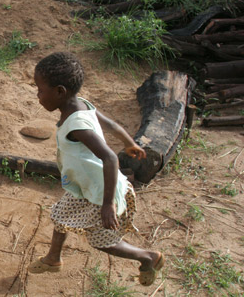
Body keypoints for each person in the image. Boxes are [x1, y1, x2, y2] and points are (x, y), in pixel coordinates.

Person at [28, 52, 164, 286]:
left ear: (60, 91)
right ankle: (53, 259)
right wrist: (129, 142)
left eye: (40, 90)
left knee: (102, 241)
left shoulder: (77, 126)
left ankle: (147, 257)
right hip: (86, 186)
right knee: (61, 215)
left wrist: (107, 205)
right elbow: (110, 124)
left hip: (100, 192)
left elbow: (110, 158)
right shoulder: (82, 105)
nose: (38, 95)